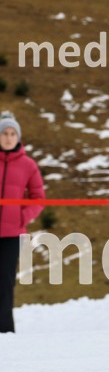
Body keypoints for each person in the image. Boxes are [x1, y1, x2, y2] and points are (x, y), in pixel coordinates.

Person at [0, 111, 45, 333]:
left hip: (11, 235)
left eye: (12, 133)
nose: (8, 137)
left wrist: (22, 217)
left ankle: (5, 331)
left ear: (18, 137)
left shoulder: (28, 165)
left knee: (5, 284)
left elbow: (38, 198)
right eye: (4, 133)